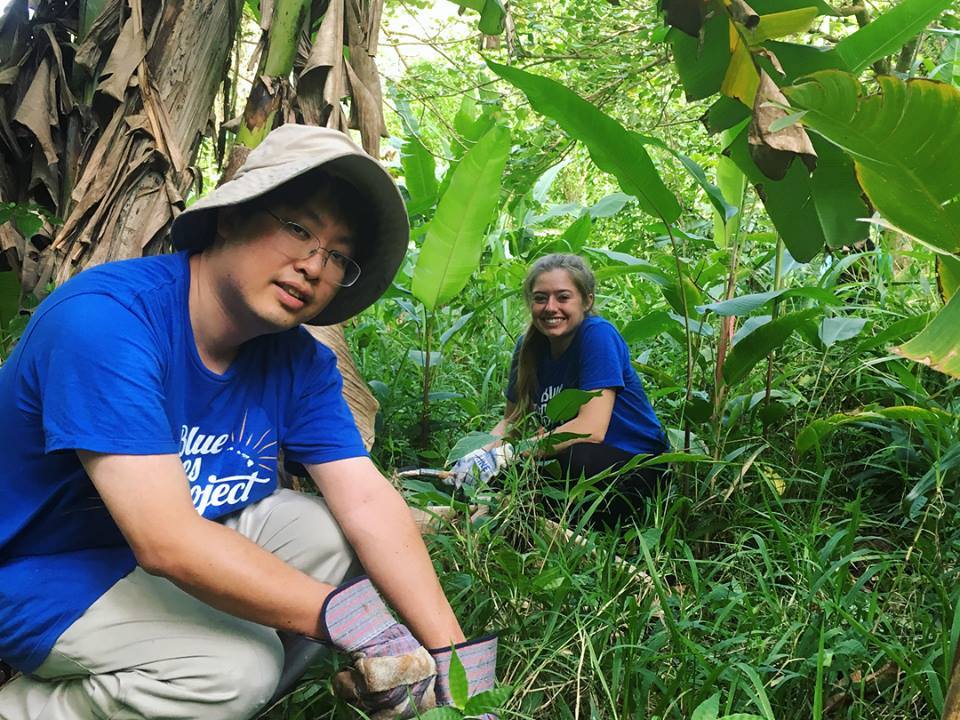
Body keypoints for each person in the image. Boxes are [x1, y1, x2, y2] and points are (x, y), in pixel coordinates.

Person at [0, 125, 496, 720]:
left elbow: (366, 501)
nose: (315, 264)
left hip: (148, 560)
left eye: (338, 255)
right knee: (236, 673)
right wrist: (355, 621)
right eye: (298, 228)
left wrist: (461, 667)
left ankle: (209, 699)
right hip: (36, 571)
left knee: (330, 532)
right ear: (231, 217)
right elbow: (167, 541)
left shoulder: (299, 359)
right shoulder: (108, 322)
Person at [450, 253, 669, 528]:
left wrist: (505, 455)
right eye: (540, 298)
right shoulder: (529, 346)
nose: (550, 307)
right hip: (570, 461)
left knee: (570, 459)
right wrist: (477, 456)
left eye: (563, 297)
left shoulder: (597, 335)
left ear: (587, 300)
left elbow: (591, 428)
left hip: (632, 464)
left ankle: (580, 528)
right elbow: (512, 421)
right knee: (486, 475)